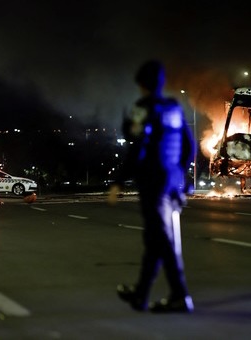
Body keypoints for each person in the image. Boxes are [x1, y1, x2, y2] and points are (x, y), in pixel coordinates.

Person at [108, 59, 196, 313]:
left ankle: (180, 296)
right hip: (172, 182)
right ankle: (141, 294)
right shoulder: (174, 108)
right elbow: (188, 147)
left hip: (153, 184)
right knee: (156, 239)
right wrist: (179, 176)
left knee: (162, 240)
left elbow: (137, 146)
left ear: (141, 84)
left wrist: (117, 181)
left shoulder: (142, 108)